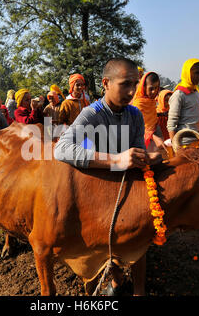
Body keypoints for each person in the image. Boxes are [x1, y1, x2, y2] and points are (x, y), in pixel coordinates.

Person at [54, 58, 162, 296]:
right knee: (103, 247)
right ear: (105, 83)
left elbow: (134, 150)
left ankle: (139, 290)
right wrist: (115, 160)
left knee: (140, 240)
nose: (132, 91)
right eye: (125, 84)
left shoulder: (134, 114)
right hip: (97, 190)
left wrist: (146, 157)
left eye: (135, 84)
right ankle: (111, 281)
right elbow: (61, 148)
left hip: (127, 187)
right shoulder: (91, 114)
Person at [167, 58, 199, 148]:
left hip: (198, 141)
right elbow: (172, 123)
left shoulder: (196, 92)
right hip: (184, 143)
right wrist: (175, 146)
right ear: (187, 73)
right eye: (197, 73)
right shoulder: (179, 95)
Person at [131, 71, 162, 150]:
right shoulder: (138, 104)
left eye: (156, 88)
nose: (154, 91)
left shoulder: (151, 102)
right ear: (144, 87)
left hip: (155, 135)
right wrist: (153, 136)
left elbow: (153, 121)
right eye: (151, 88)